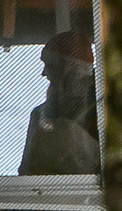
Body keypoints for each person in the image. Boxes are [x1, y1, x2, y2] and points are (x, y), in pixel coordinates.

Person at [17, 29, 99, 178]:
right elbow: (26, 174)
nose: (44, 73)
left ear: (69, 68)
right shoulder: (38, 116)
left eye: (49, 65)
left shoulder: (102, 114)